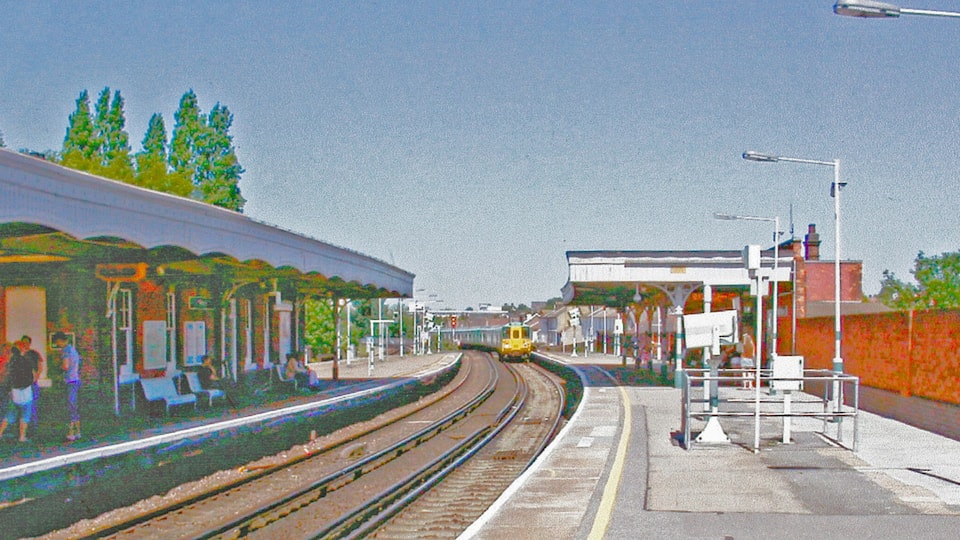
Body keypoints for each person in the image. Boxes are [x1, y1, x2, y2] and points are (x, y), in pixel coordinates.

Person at [0, 345, 38, 442]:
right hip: (26, 391)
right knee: (25, 414)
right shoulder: (27, 361)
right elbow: (33, 376)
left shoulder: (11, 364)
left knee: (9, 414)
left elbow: (8, 377)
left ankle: (0, 433)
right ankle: (22, 436)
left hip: (15, 391)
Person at [54, 332, 82, 441]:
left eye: (57, 343)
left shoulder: (66, 351)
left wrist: (59, 371)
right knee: (74, 406)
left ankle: (71, 432)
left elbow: (65, 366)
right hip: (76, 379)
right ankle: (78, 431)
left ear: (61, 340)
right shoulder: (73, 350)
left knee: (70, 406)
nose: (58, 345)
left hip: (69, 381)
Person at [17, 336, 42, 426]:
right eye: (23, 342)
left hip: (32, 383)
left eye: (27, 342)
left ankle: (33, 425)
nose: (25, 344)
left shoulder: (34, 354)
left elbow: (40, 367)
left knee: (33, 404)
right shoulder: (18, 354)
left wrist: (36, 378)